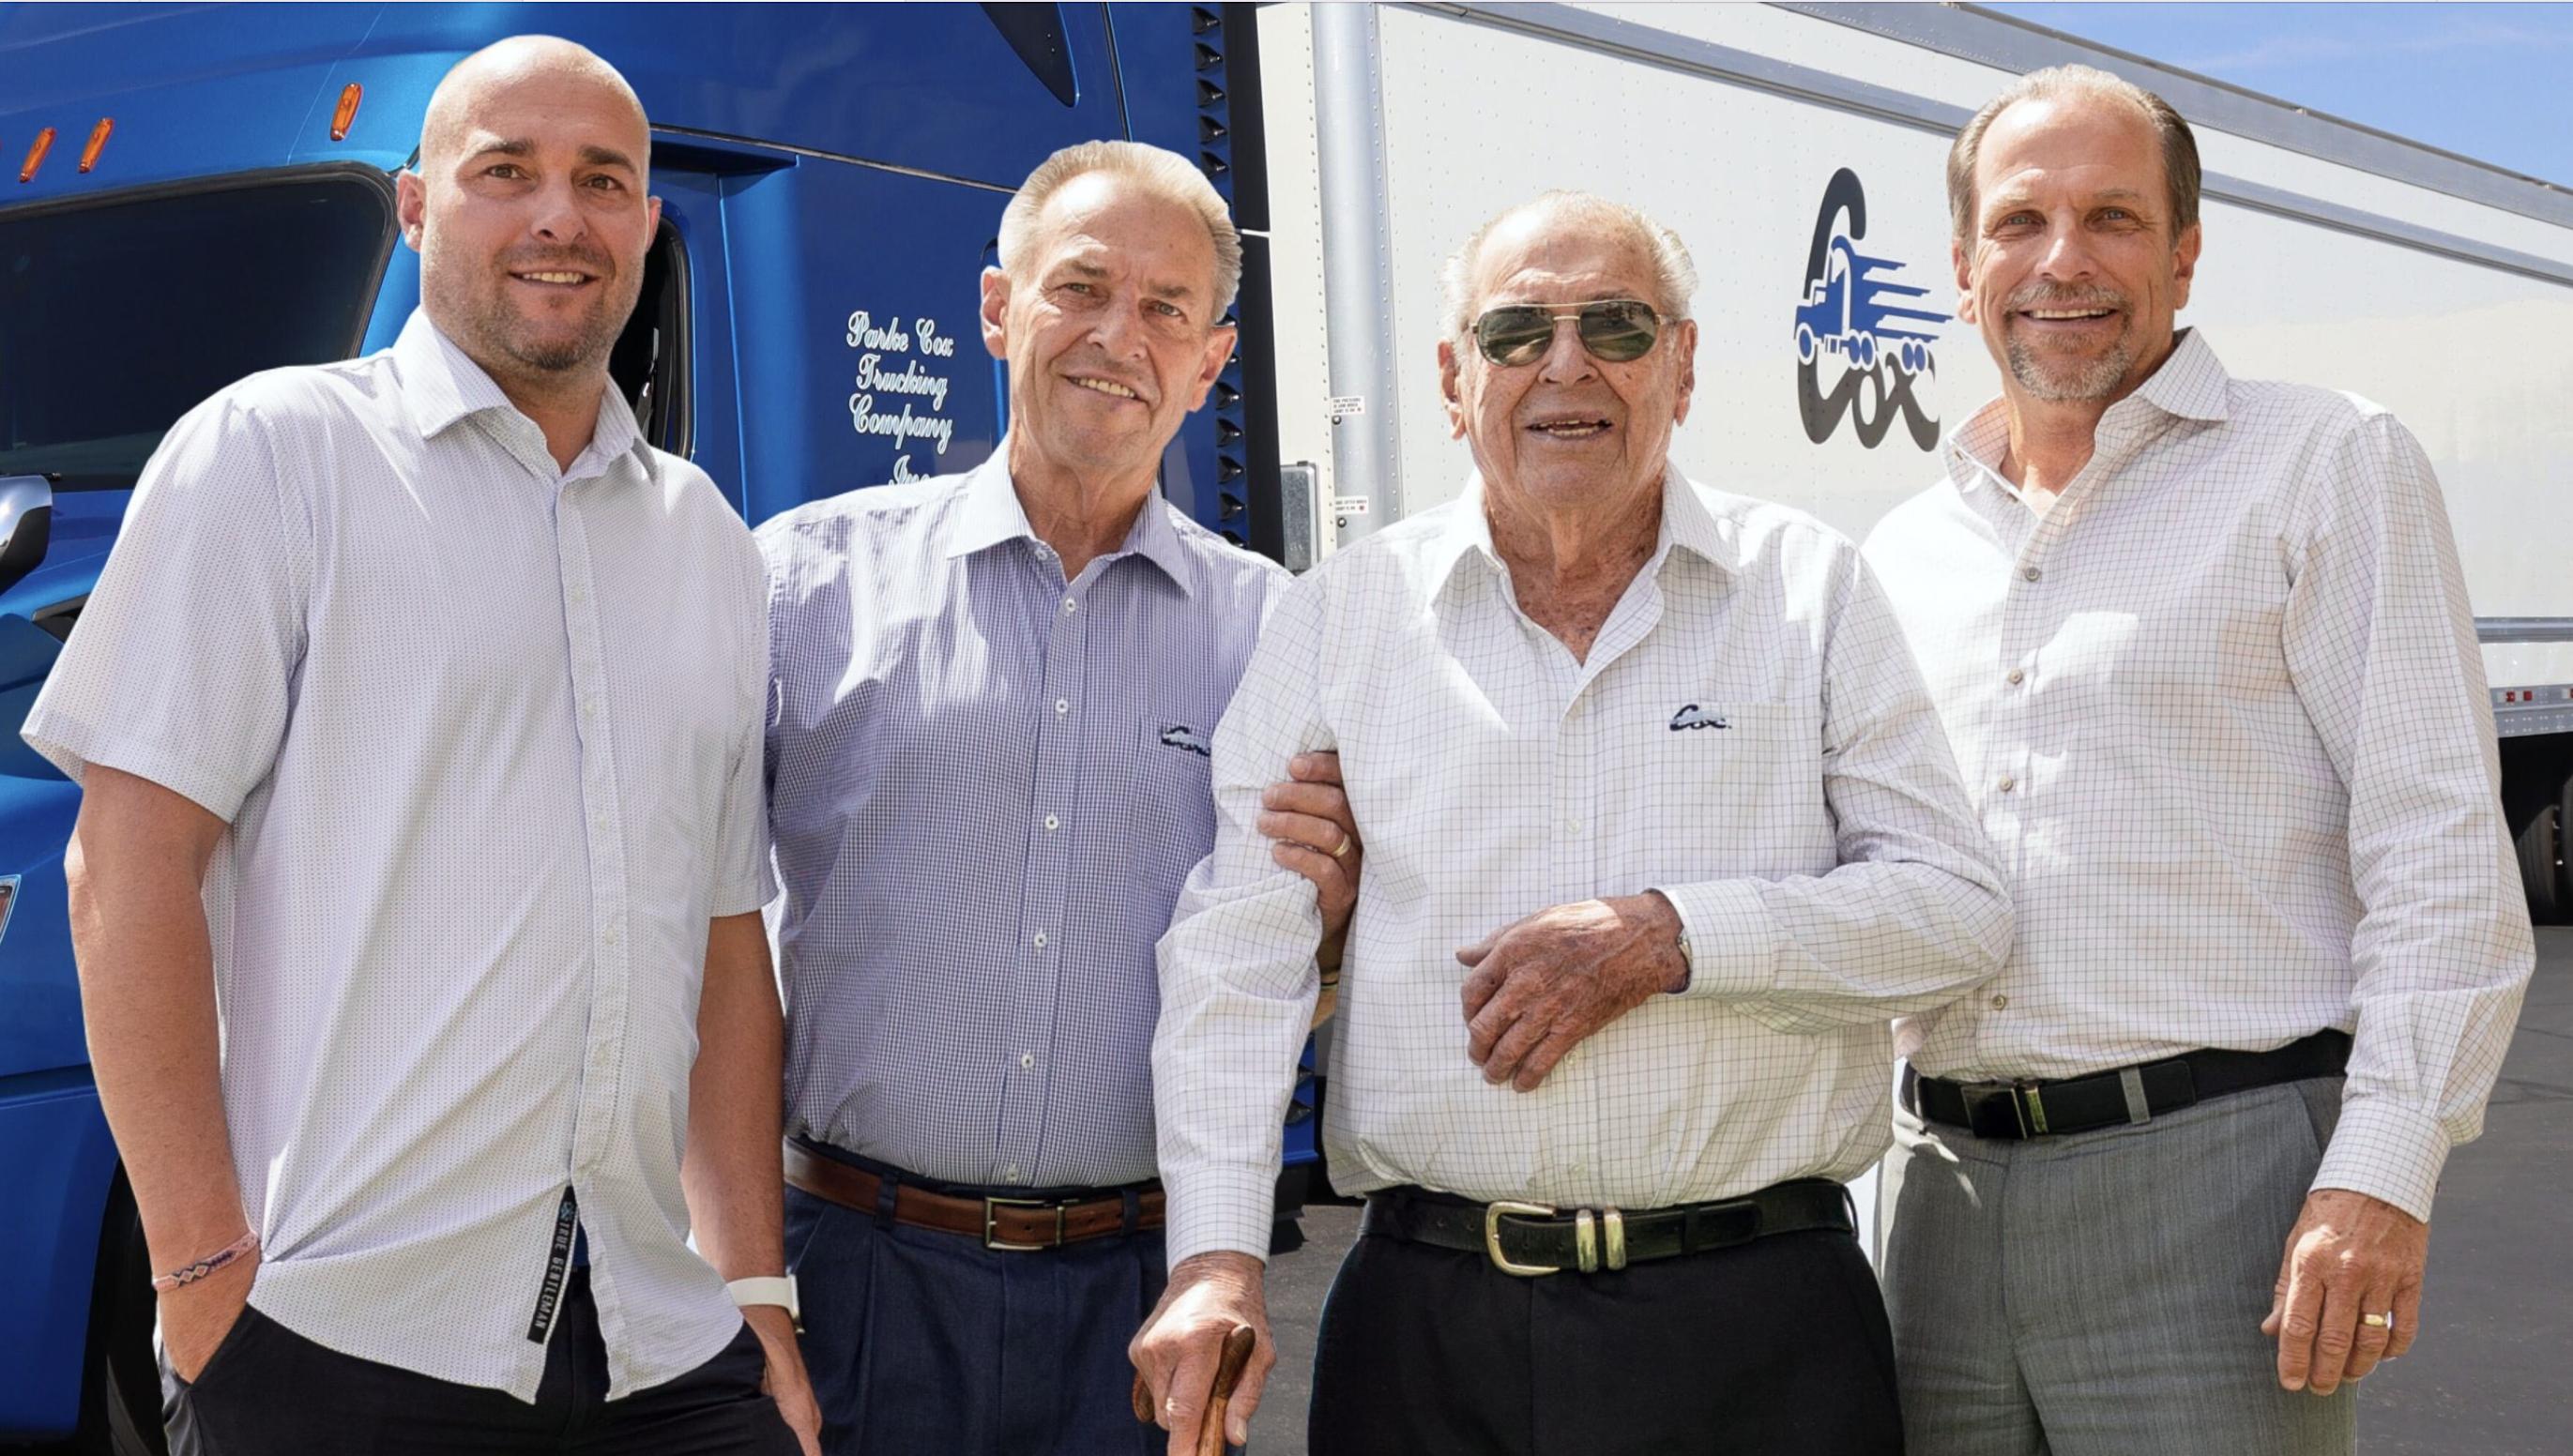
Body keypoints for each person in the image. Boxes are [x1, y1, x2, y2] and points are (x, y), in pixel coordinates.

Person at [24, 36, 820, 1455]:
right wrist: (203, 1278)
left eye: (601, 181)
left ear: (647, 220)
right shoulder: (272, 453)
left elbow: (722, 938)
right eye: (503, 173)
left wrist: (753, 1287)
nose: (557, 217)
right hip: (342, 1341)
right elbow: (121, 871)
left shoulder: (705, 538)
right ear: (414, 208)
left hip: (662, 1339)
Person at [1132, 190, 2012, 1456]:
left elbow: (1955, 914)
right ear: (1453, 377)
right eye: (1514, 333)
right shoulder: (1344, 617)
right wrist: (1216, 1254)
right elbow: (1240, 954)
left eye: (1615, 325)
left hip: (1762, 1331)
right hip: (1432, 1339)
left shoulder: (1808, 590)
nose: (1566, 365)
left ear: (1684, 363)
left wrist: (1672, 939)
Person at [1861, 65, 2536, 1456]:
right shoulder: (1898, 552)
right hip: (1927, 1198)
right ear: (1960, 264)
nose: (2061, 261)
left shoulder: (2318, 463)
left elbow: (2437, 850)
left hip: (2215, 1187)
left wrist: (2380, 1176)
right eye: (2018, 221)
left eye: (2111, 217)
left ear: (2182, 251)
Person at [758, 139, 1360, 1456]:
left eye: (1163, 309)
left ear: (1209, 363)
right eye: (1078, 288)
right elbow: (687, 933)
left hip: (1140, 1295)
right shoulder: (804, 586)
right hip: (853, 1274)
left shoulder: (1280, 636)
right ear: (995, 308)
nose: (1115, 337)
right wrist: (738, 1274)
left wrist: (1329, 928)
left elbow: (1282, 974)